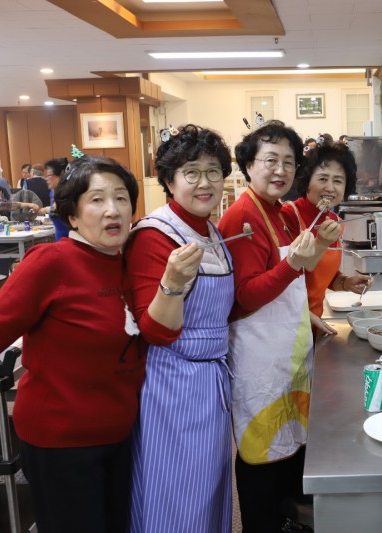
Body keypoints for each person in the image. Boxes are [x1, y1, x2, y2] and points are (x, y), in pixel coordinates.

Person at [0, 155, 154, 532]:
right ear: (72, 214)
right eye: (97, 200)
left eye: (122, 199)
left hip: (120, 435)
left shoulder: (128, 263)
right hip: (62, 442)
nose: (113, 210)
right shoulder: (51, 262)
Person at [218, 119, 333, 532]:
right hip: (260, 358)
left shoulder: (282, 213)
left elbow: (288, 283)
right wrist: (295, 263)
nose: (280, 170)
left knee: (288, 452)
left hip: (288, 350)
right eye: (270, 160)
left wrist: (308, 313)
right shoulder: (241, 215)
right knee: (261, 456)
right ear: (248, 165)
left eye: (288, 161)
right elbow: (245, 295)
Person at [125, 124, 235, 533]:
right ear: (169, 181)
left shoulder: (211, 229)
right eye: (191, 172)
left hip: (211, 382)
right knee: (173, 497)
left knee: (208, 491)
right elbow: (153, 330)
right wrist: (171, 282)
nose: (205, 183)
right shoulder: (155, 235)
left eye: (213, 171)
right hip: (172, 385)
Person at [282, 141, 371, 336]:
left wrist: (345, 282)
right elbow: (289, 275)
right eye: (323, 179)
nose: (330, 187)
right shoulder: (288, 215)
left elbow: (323, 275)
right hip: (287, 326)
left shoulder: (334, 221)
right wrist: (320, 243)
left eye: (338, 181)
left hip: (316, 326)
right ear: (307, 181)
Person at [42, 157, 70, 240]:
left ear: (61, 175)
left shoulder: (68, 194)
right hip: (60, 240)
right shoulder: (52, 193)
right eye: (45, 176)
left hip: (71, 241)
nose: (46, 179)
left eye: (49, 176)